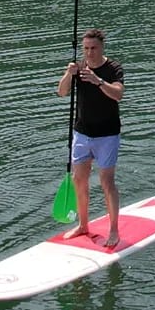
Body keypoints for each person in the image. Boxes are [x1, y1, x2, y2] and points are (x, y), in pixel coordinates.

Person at [58, 28, 126, 248]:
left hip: (107, 135)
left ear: (102, 47)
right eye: (86, 48)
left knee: (107, 182)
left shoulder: (113, 68)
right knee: (79, 179)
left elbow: (118, 94)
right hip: (82, 133)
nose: (89, 53)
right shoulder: (78, 68)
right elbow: (62, 92)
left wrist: (98, 81)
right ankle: (83, 225)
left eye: (93, 48)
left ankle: (113, 230)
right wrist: (69, 74)